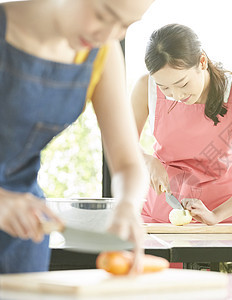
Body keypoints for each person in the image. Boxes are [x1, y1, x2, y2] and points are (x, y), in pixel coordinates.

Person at [0, 0, 154, 274]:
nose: (106, 35)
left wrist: (128, 205)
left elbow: (127, 163)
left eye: (124, 26)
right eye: (103, 14)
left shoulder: (102, 55)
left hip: (25, 231)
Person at [131, 23, 232, 225]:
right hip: (161, 214)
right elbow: (122, 146)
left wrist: (215, 216)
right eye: (165, 88)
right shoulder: (146, 87)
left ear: (202, 62)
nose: (176, 95)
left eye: (183, 84)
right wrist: (147, 160)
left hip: (220, 214)